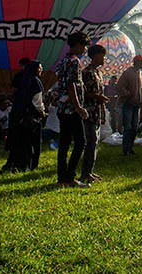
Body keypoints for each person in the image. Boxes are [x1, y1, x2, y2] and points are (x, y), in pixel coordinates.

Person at [52, 31, 90, 187]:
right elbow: (71, 84)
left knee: (64, 143)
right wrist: (78, 106)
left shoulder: (63, 61)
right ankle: (70, 176)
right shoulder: (74, 62)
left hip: (62, 108)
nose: (85, 49)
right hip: (71, 108)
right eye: (84, 46)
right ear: (78, 45)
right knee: (81, 142)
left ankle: (62, 177)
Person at [4, 61, 45, 171]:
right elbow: (37, 101)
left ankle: (15, 163)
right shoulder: (35, 82)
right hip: (31, 117)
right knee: (32, 143)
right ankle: (29, 165)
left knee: (19, 142)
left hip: (18, 115)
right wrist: (42, 112)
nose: (41, 70)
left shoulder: (22, 79)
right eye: (39, 68)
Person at [78, 43, 108, 184]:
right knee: (90, 142)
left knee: (95, 143)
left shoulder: (99, 73)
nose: (104, 59)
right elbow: (83, 93)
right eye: (102, 56)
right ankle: (85, 173)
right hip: (89, 112)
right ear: (95, 56)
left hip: (97, 111)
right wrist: (97, 97)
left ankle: (90, 170)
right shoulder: (87, 73)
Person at [118, 54, 142, 155]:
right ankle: (125, 148)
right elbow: (120, 86)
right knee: (128, 127)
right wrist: (127, 94)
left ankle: (130, 147)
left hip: (137, 105)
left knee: (134, 127)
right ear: (137, 63)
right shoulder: (127, 73)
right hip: (128, 103)